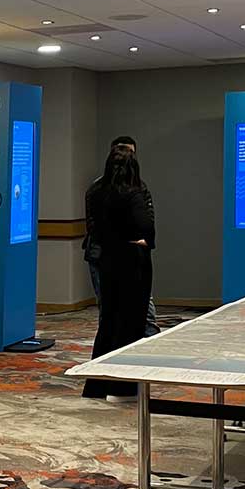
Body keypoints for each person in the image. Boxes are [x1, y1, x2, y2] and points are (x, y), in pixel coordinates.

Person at [82, 146, 156, 400]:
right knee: (131, 323)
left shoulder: (96, 191)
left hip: (106, 260)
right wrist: (144, 241)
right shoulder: (133, 192)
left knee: (108, 322)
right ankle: (122, 388)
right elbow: (146, 226)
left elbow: (93, 227)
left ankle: (97, 385)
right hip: (131, 262)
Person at [85, 136, 159, 338]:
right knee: (116, 309)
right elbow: (146, 224)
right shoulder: (103, 189)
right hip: (109, 255)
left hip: (109, 253)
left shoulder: (135, 188)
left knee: (125, 310)